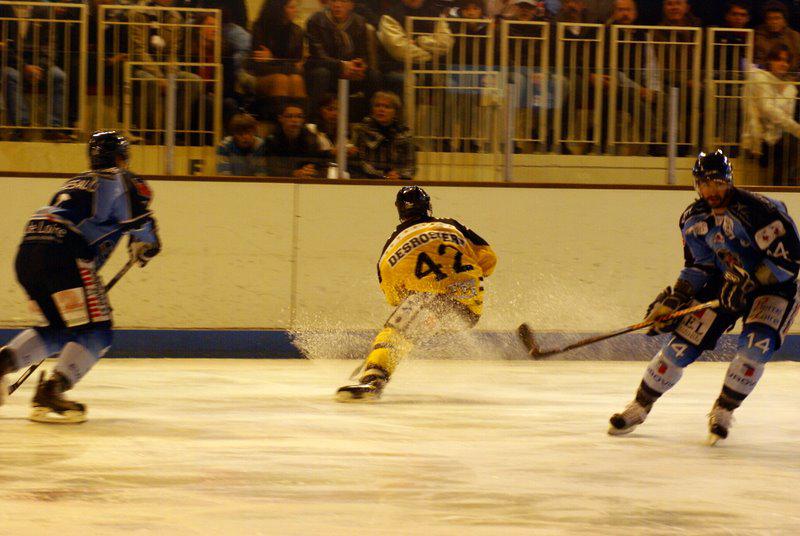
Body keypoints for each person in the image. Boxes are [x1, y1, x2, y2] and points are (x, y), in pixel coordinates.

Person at [608, 150, 800, 445]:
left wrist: (752, 284)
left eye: (717, 183)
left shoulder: (762, 212)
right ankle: (639, 407)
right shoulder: (693, 219)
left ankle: (723, 411)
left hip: (775, 288)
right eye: (703, 183)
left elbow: (790, 263)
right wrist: (676, 298)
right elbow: (700, 265)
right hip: (725, 285)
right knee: (680, 346)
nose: (711, 190)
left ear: (730, 181)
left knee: (753, 350)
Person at [0, 131, 161, 423]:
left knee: (59, 328)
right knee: (97, 330)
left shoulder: (76, 181)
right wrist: (149, 243)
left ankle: (3, 363)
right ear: (119, 158)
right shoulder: (120, 178)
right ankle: (53, 389)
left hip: (29, 251)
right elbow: (139, 220)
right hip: (66, 252)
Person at [336, 186, 497, 401]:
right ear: (428, 206)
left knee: (397, 332)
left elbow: (394, 297)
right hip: (470, 307)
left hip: (433, 307)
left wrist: (415, 297)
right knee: (412, 323)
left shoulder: (390, 249)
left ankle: (374, 378)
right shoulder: (452, 225)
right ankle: (380, 366)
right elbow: (489, 258)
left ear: (400, 211)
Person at [741, 44, 800, 184]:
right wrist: (797, 129)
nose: (783, 64)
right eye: (778, 59)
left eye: (786, 61)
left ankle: (789, 186)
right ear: (769, 61)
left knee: (790, 142)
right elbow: (767, 109)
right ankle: (784, 188)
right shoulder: (759, 78)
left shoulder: (791, 88)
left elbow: (784, 116)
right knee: (790, 142)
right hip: (759, 139)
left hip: (778, 138)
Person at [351, 91, 416, 179]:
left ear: (395, 112)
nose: (381, 110)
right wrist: (383, 176)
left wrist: (399, 175)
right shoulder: (361, 130)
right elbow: (358, 162)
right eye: (377, 106)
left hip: (397, 182)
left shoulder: (405, 133)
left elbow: (411, 166)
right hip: (367, 181)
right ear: (372, 109)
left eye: (387, 107)